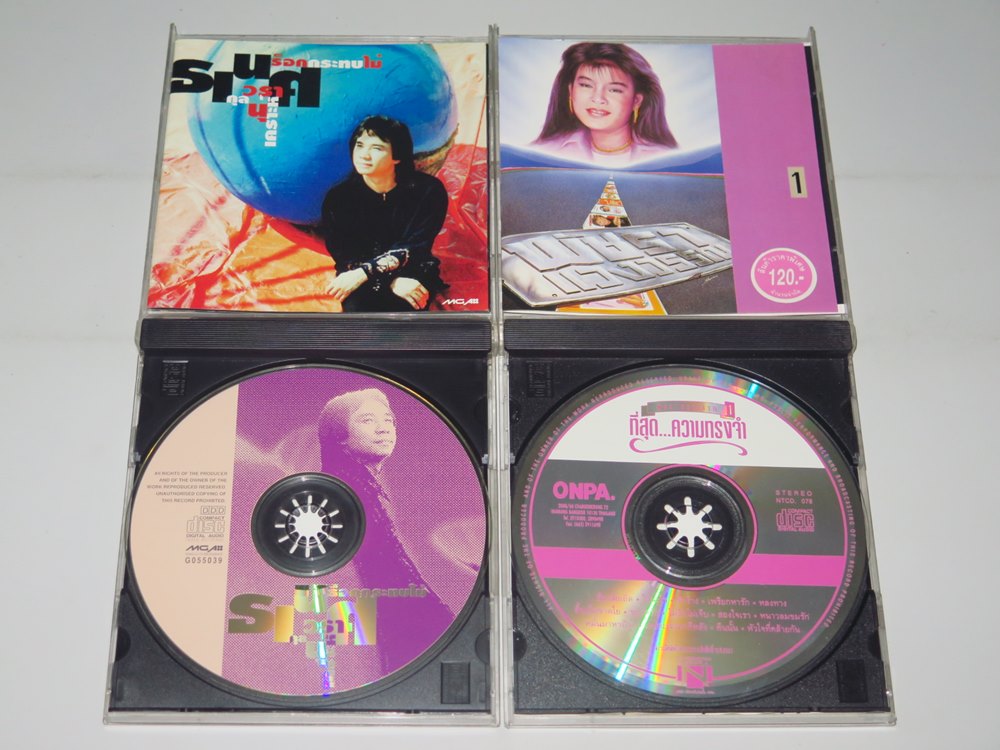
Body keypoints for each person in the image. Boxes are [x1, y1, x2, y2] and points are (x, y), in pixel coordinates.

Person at [317, 388, 454, 659]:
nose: (384, 429)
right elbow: (387, 571)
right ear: (339, 436)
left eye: (388, 420)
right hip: (385, 628)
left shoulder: (361, 487)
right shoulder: (350, 493)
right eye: (367, 420)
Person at [320, 116, 449, 311]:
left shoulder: (428, 191)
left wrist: (395, 278)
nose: (364, 155)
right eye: (360, 145)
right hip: (356, 273)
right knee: (361, 317)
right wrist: (386, 279)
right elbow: (345, 254)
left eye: (377, 148)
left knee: (406, 316)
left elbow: (415, 246)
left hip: (411, 270)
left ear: (397, 156)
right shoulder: (338, 199)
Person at [534, 42, 678, 166]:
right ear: (571, 91)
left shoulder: (666, 159)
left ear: (636, 100)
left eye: (614, 90)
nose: (598, 98)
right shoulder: (544, 153)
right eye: (586, 85)